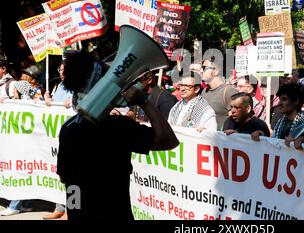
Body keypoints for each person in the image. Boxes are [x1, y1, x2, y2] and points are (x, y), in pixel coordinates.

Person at [56, 51, 179, 220]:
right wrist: (144, 102)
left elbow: (68, 181)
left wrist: (75, 213)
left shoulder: (68, 129)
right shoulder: (118, 127)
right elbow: (169, 141)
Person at [200, 57, 238, 129]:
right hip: (206, 138)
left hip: (222, 138)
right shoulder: (204, 91)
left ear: (216, 71)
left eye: (204, 68)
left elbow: (238, 120)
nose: (201, 71)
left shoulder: (229, 91)